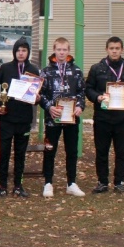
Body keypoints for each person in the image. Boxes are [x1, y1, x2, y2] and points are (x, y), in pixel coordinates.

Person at [0, 37, 41, 198]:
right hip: (7, 118)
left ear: (28, 52)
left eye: (24, 50)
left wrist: (37, 98)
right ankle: (2, 186)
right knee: (4, 152)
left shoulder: (33, 70)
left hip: (24, 119)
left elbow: (39, 93)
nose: (21, 53)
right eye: (18, 50)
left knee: (20, 153)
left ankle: (18, 185)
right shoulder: (6, 68)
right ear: (14, 52)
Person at [85, 36, 124, 194]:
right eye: (111, 48)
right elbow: (88, 89)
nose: (114, 51)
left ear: (122, 50)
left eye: (117, 48)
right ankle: (102, 182)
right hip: (102, 118)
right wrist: (97, 97)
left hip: (122, 119)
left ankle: (120, 182)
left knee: (121, 152)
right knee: (102, 151)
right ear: (107, 49)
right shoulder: (97, 69)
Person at [39, 37, 86, 198]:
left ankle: (71, 183)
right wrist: (49, 107)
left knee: (71, 151)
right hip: (53, 118)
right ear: (54, 50)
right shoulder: (46, 71)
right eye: (59, 49)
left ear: (68, 51)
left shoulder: (77, 70)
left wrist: (80, 106)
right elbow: (41, 94)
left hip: (71, 118)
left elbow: (81, 92)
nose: (61, 52)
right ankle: (48, 183)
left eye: (64, 49)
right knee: (50, 149)